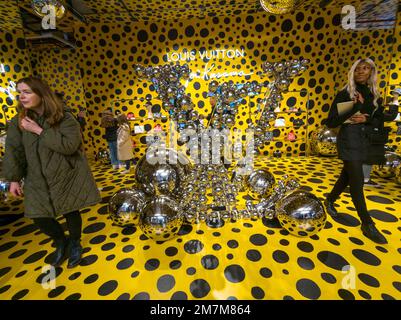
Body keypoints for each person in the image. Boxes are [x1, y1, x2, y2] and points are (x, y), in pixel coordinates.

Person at [2, 76, 101, 268]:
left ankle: (74, 243)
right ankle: (60, 242)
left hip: (65, 173)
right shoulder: (19, 121)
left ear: (41, 93)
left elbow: (70, 146)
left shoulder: (63, 116)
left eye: (27, 92)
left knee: (70, 210)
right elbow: (14, 150)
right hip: (36, 177)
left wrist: (39, 130)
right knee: (38, 215)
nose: (21, 96)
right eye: (19, 92)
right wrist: (13, 179)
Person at [324, 58, 390, 244]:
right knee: (357, 180)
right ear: (352, 72)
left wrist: (367, 119)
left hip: (365, 140)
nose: (361, 72)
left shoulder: (373, 94)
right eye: (358, 69)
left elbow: (378, 120)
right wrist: (355, 106)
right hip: (348, 140)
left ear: (371, 72)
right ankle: (367, 223)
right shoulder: (345, 93)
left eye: (366, 68)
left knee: (347, 176)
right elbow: (331, 122)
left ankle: (329, 199)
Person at [363, 88, 400, 186]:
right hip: (371, 137)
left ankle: (360, 178)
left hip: (363, 136)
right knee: (368, 159)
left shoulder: (366, 108)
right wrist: (395, 99)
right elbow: (391, 115)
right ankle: (364, 180)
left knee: (364, 158)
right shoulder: (377, 112)